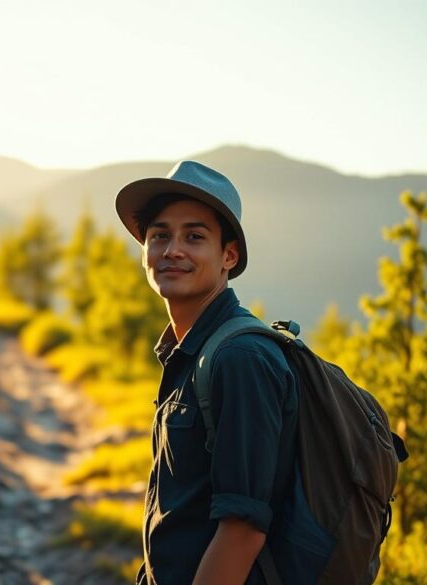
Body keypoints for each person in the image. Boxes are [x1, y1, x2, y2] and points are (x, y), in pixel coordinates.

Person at [115, 161, 298, 585]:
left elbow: (243, 529)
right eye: (159, 235)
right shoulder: (191, 351)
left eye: (194, 236)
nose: (172, 249)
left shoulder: (241, 359)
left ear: (228, 256)